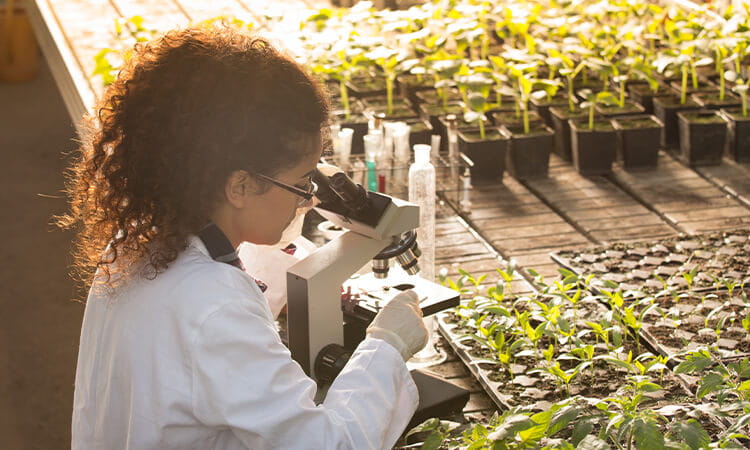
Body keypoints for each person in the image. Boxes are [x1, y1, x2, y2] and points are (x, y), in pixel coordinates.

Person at [60, 25, 429, 449]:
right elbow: (329, 444)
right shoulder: (215, 304)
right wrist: (387, 346)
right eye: (302, 183)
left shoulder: (139, 238)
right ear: (239, 186)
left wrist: (277, 272)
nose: (308, 200)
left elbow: (204, 311)